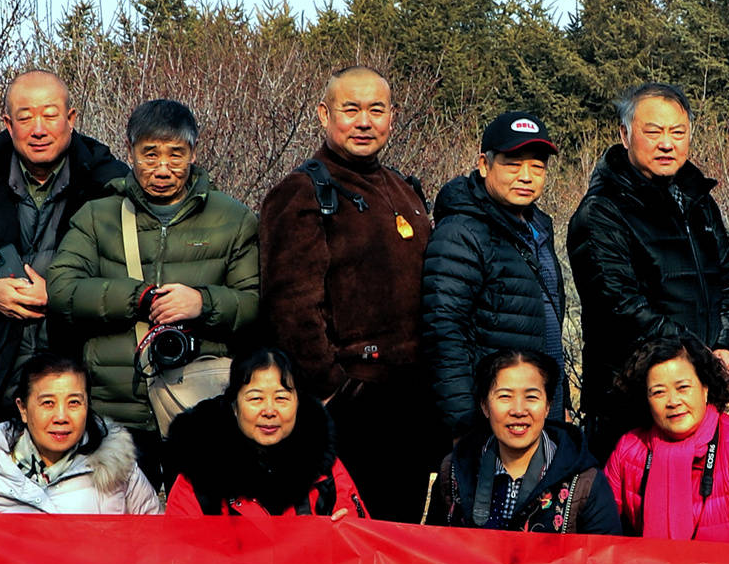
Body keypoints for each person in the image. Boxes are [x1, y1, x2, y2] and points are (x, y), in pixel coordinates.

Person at [257, 64, 436, 520]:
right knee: (351, 538)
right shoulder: (302, 192)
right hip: (352, 404)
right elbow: (290, 305)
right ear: (324, 114)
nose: (364, 121)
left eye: (376, 110)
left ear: (392, 117)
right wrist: (333, 389)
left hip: (411, 402)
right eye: (350, 109)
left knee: (400, 535)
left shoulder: (404, 190)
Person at [46, 98, 261, 469]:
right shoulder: (99, 216)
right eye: (150, 155)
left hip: (200, 406)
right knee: (120, 525)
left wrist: (202, 303)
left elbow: (255, 302)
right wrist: (138, 298)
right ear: (129, 151)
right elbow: (62, 289)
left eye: (176, 155)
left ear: (194, 153)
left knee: (199, 522)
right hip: (115, 409)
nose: (163, 169)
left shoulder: (234, 219)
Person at [0, 71, 130, 435]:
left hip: (83, 364)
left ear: (71, 118)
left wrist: (58, 294)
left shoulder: (109, 185)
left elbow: (126, 277)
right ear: (8, 123)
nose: (38, 129)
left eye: (50, 115)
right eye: (25, 117)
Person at [566, 83, 729, 458]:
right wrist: (699, 358)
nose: (667, 143)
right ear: (625, 134)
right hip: (630, 406)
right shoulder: (602, 211)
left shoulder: (698, 202)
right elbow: (620, 306)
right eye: (653, 132)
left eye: (677, 132)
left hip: (699, 397)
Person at [421, 112, 569, 432]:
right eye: (513, 164)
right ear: (485, 165)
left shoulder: (537, 227)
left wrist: (561, 402)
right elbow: (444, 333)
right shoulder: (461, 232)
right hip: (491, 421)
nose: (526, 176)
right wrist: (464, 425)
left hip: (539, 412)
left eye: (537, 166)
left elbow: (547, 324)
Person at [603, 336, 729, 546]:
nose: (673, 402)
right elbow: (599, 536)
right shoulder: (629, 449)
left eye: (683, 387)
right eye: (658, 392)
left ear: (705, 388)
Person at [421, 350, 625, 534]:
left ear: (547, 406)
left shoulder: (585, 483)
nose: (518, 410)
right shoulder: (455, 471)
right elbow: (436, 555)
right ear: (485, 406)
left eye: (531, 397)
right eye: (505, 396)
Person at [157, 347, 370, 516]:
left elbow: (363, 550)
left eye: (281, 398)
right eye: (256, 398)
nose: (269, 411)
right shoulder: (201, 469)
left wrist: (344, 533)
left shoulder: (326, 469)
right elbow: (180, 557)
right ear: (234, 405)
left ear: (298, 403)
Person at [0, 354, 166, 515]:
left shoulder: (120, 473)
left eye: (74, 403)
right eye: (48, 403)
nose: (61, 416)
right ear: (23, 408)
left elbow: (155, 547)